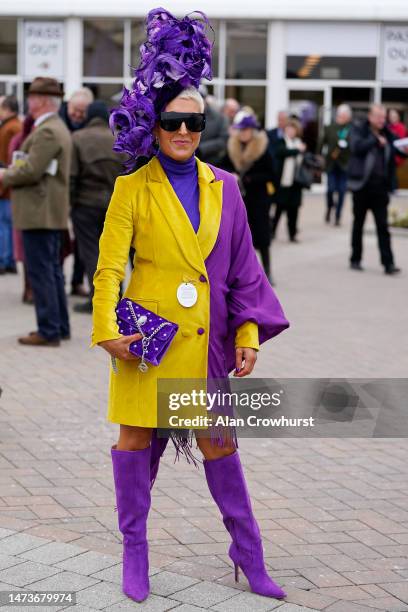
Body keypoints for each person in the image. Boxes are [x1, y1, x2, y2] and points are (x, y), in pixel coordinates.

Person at [92, 7, 289, 605]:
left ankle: (247, 555)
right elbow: (108, 269)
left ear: (205, 127)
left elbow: (244, 276)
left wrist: (249, 337)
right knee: (133, 447)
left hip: (205, 345)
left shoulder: (225, 187)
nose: (184, 132)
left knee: (220, 447)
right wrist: (106, 331)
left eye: (195, 123)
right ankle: (135, 555)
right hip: (146, 342)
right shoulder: (131, 187)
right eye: (174, 122)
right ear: (153, 125)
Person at [0, 77, 72, 345]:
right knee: (50, 271)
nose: (28, 101)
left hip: (39, 213)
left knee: (42, 272)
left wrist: (5, 175)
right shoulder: (54, 127)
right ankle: (59, 325)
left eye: (31, 97)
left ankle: (49, 330)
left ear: (41, 101)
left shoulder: (47, 131)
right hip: (46, 212)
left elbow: (31, 169)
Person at [70, 101, 124, 314]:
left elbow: (72, 175)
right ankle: (116, 295)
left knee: (91, 252)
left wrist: (71, 203)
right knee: (113, 253)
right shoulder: (119, 138)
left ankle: (100, 299)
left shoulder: (78, 138)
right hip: (114, 203)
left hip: (86, 204)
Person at [348, 103, 408, 275]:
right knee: (358, 224)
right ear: (370, 117)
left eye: (384, 117)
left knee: (383, 227)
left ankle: (388, 264)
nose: (382, 120)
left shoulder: (387, 133)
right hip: (362, 187)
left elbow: (399, 150)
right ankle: (355, 259)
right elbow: (357, 148)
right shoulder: (358, 129)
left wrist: (405, 149)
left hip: (380, 188)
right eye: (379, 117)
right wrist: (375, 140)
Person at [224, 111, 276, 283]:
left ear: (252, 130)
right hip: (240, 200)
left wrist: (249, 178)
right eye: (241, 130)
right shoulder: (232, 146)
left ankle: (267, 272)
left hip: (259, 198)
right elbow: (221, 166)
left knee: (262, 235)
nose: (243, 133)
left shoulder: (263, 147)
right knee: (241, 237)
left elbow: (272, 173)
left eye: (246, 129)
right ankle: (244, 274)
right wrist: (231, 175)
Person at [60, 87, 94, 298]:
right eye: (75, 110)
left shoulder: (85, 129)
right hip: (63, 193)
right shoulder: (59, 121)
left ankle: (76, 281)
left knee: (81, 245)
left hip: (80, 195)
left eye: (82, 111)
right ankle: (65, 280)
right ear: (68, 105)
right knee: (63, 241)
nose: (78, 115)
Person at [271, 118, 306, 242]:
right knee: (279, 209)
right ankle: (272, 232)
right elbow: (281, 152)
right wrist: (297, 150)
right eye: (288, 129)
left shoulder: (299, 143)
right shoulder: (281, 142)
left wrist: (301, 150)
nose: (290, 132)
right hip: (283, 182)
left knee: (294, 211)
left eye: (293, 130)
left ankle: (292, 234)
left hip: (296, 183)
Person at [0, 95, 22, 274]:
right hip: (9, 180)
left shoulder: (9, 127)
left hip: (6, 182)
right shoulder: (14, 126)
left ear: (7, 109)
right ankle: (9, 259)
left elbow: (9, 157)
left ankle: (6, 260)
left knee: (5, 223)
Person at [320, 104, 352, 225]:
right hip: (331, 163)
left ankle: (338, 216)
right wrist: (319, 157)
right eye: (341, 115)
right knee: (330, 189)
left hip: (344, 164)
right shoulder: (330, 128)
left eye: (345, 115)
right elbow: (322, 142)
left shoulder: (351, 129)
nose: (342, 117)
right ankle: (329, 207)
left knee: (342, 191)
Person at [196, 85, 229, 165]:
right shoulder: (186, 115)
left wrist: (201, 149)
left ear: (205, 99)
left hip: (211, 162)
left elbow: (223, 140)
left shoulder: (220, 118)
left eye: (199, 99)